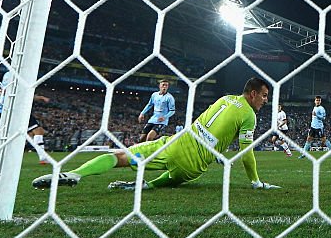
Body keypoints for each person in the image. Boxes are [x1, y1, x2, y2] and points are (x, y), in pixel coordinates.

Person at [32, 77, 279, 191]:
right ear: (253, 94)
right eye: (264, 95)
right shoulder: (249, 114)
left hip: (175, 144)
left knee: (120, 156)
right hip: (193, 164)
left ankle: (75, 173)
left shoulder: (225, 98)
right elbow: (246, 153)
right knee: (176, 176)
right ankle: (146, 186)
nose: (266, 100)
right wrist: (256, 181)